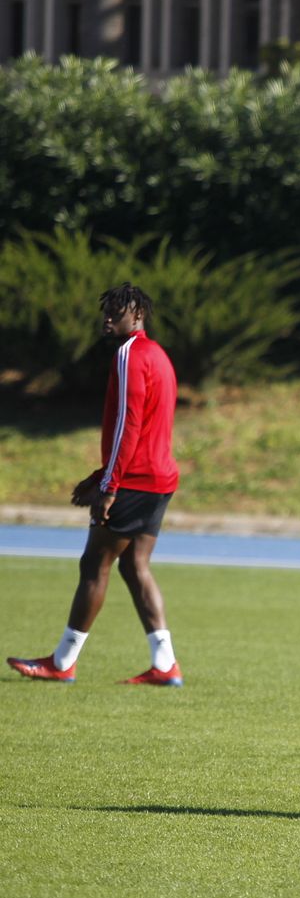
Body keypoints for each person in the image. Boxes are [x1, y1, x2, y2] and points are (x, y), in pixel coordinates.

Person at [7, 283, 184, 686]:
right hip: (159, 477)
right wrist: (101, 475)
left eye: (117, 311)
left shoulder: (130, 354)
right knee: (134, 566)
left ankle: (62, 662)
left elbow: (129, 423)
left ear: (137, 315)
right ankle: (165, 664)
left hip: (134, 479)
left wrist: (109, 484)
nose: (108, 318)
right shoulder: (158, 355)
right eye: (106, 310)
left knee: (94, 565)